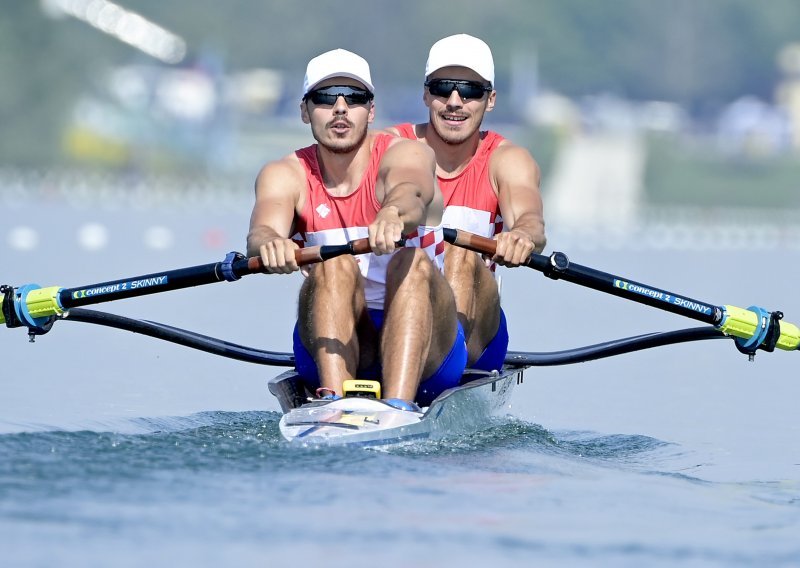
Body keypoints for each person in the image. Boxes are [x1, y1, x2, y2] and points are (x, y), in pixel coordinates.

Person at [247, 49, 467, 409]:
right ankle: (333, 400)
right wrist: (270, 243)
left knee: (411, 261)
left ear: (371, 110)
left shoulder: (407, 153)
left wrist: (394, 213)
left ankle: (399, 403)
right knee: (333, 264)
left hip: (429, 352)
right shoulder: (284, 174)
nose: (340, 108)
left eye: (354, 98)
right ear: (305, 111)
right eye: (325, 98)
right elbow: (261, 231)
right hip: (337, 334)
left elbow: (411, 192)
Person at [388, 34, 546, 372]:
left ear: (490, 100)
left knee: (461, 253)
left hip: (477, 337)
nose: (455, 101)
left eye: (471, 90)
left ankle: (442, 367)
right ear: (427, 94)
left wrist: (522, 236)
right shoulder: (389, 146)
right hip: (393, 316)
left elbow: (529, 218)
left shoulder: (507, 160)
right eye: (444, 88)